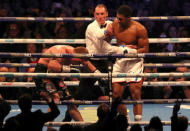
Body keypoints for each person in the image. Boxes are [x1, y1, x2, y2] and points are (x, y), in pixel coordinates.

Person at [103, 5, 149, 121]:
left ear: (129, 18)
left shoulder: (139, 29)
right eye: (117, 18)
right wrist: (106, 33)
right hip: (120, 60)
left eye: (121, 19)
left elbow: (145, 49)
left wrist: (131, 51)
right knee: (116, 95)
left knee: (135, 92)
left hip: (134, 61)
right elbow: (106, 39)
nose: (118, 20)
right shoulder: (114, 24)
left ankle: (138, 122)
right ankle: (125, 120)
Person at [34, 45, 99, 122]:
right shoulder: (63, 52)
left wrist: (100, 75)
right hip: (44, 73)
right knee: (55, 98)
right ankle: (49, 128)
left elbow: (87, 64)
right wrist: (71, 70)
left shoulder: (77, 54)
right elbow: (51, 66)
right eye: (80, 61)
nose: (80, 64)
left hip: (55, 76)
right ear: (77, 57)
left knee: (71, 103)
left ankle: (82, 127)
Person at [83, 4, 124, 101]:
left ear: (106, 14)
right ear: (94, 15)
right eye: (97, 14)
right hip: (92, 62)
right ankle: (68, 116)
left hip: (106, 61)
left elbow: (121, 35)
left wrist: (123, 44)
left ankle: (116, 115)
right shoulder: (91, 27)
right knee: (82, 91)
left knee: (114, 90)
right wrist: (121, 50)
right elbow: (101, 44)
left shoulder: (111, 24)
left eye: (102, 14)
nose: (100, 16)